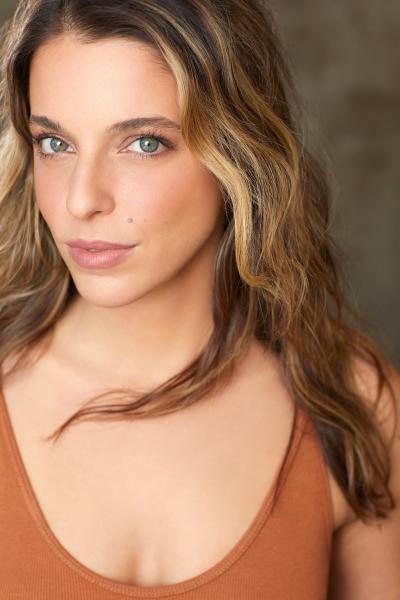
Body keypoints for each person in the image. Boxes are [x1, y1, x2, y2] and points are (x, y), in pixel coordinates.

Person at [0, 0, 398, 598]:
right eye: (55, 143)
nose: (82, 200)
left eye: (143, 144)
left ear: (240, 153)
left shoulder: (356, 401)